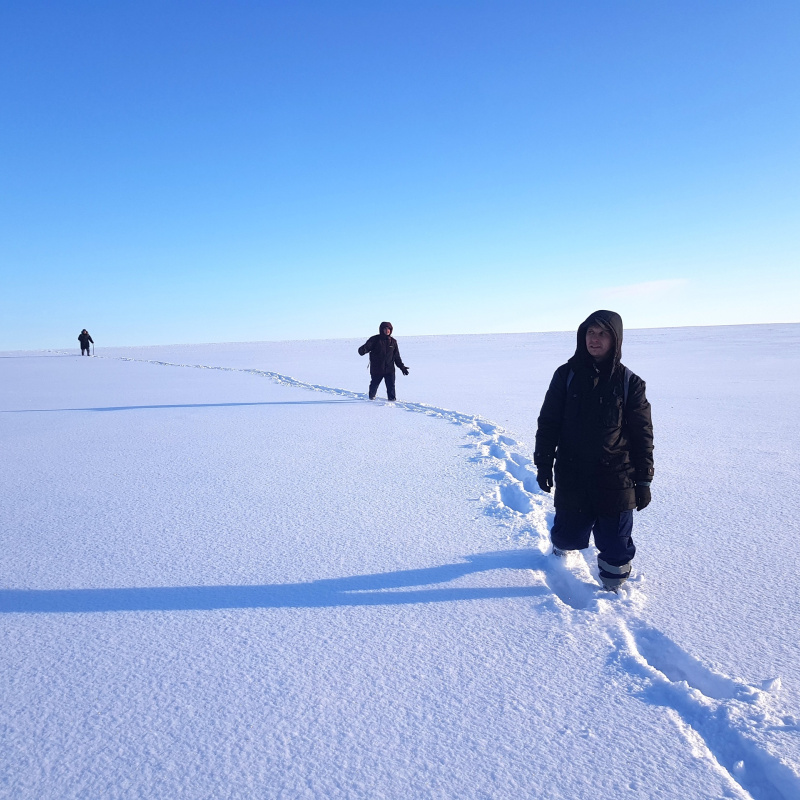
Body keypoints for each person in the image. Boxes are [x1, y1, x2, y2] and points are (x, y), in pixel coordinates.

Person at [534, 310, 654, 592]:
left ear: (615, 339)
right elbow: (549, 422)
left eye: (602, 333)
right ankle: (560, 554)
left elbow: (642, 435)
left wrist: (644, 480)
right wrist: (543, 464)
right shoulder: (566, 375)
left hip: (617, 476)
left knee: (616, 543)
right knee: (567, 535)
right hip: (574, 473)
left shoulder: (630, 383)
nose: (595, 339)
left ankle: (615, 590)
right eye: (590, 332)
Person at [357, 321, 409, 401]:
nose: (387, 330)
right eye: (385, 328)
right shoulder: (375, 339)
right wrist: (363, 350)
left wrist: (402, 367)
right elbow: (364, 349)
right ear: (381, 329)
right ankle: (371, 400)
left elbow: (396, 357)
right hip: (377, 369)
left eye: (389, 329)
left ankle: (392, 402)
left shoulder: (393, 341)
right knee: (374, 385)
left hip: (390, 369)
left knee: (391, 387)